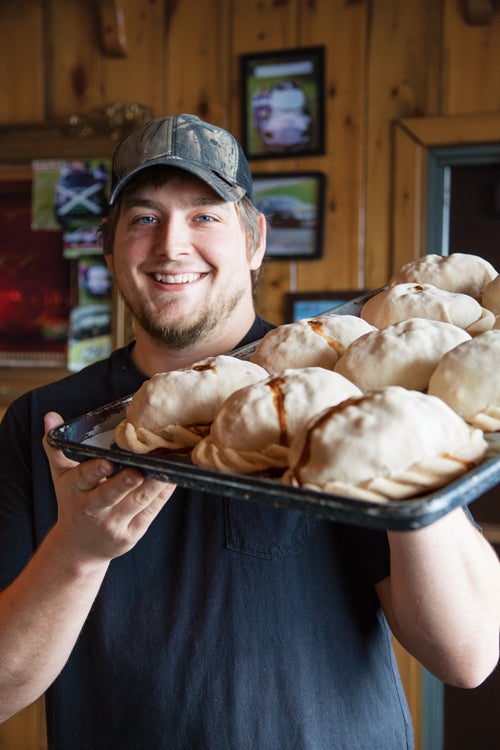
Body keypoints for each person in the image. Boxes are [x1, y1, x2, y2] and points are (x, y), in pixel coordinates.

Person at [0, 114, 498, 750]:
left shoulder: (344, 388)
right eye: (143, 218)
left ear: (255, 239)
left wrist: (406, 433)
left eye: (205, 215)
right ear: (110, 245)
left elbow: (469, 655)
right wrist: (77, 551)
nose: (171, 245)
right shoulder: (49, 426)